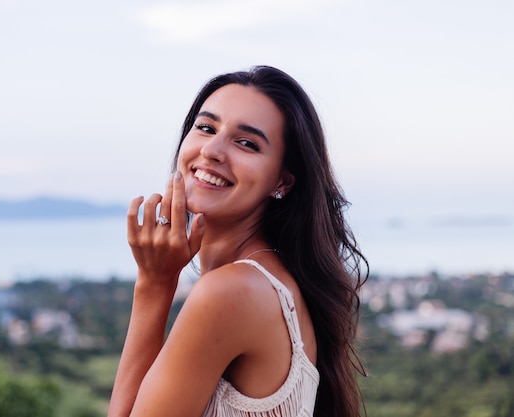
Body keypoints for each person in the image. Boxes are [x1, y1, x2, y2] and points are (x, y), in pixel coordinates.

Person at [108, 65, 368, 417]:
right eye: (205, 127)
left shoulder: (232, 291)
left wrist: (155, 284)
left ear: (283, 182)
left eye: (246, 143)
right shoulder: (269, 282)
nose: (212, 150)